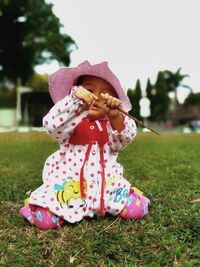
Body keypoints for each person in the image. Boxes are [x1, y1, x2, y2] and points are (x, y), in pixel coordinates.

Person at [20, 61, 150, 230]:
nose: (96, 97)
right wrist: (75, 102)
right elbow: (52, 127)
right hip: (71, 188)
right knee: (45, 221)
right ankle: (36, 203)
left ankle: (127, 194)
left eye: (105, 94)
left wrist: (115, 117)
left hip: (107, 187)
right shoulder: (70, 120)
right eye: (89, 91)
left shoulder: (111, 124)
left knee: (137, 210)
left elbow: (121, 142)